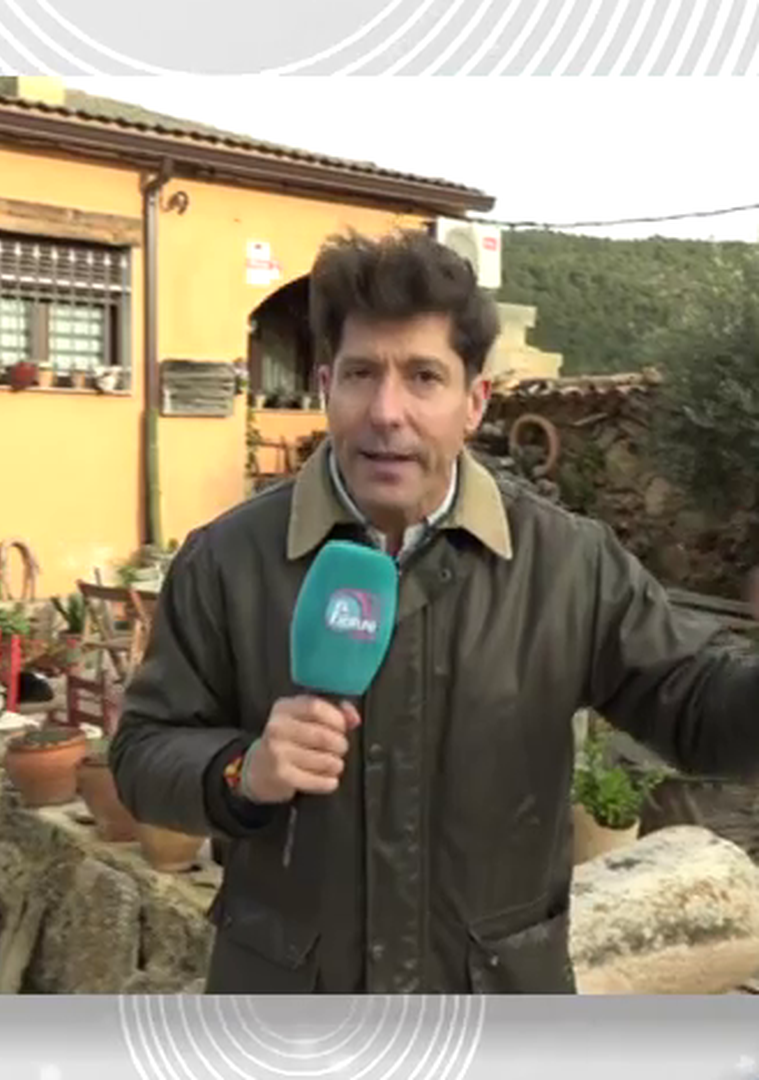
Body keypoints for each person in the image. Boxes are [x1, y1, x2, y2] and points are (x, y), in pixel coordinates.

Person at [110, 228, 759, 994]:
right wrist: (242, 769)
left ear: (473, 401)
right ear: (326, 386)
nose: (387, 412)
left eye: (423, 377)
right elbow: (142, 753)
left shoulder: (569, 564)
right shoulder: (227, 561)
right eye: (360, 374)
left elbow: (695, 701)